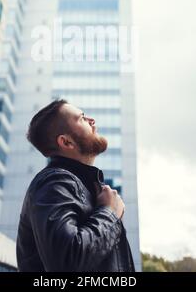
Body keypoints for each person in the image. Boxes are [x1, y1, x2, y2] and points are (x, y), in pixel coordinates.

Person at [16, 99, 135, 272]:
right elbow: (67, 261)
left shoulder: (81, 187)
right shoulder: (54, 183)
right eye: (81, 118)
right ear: (66, 142)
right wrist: (110, 213)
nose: (91, 120)